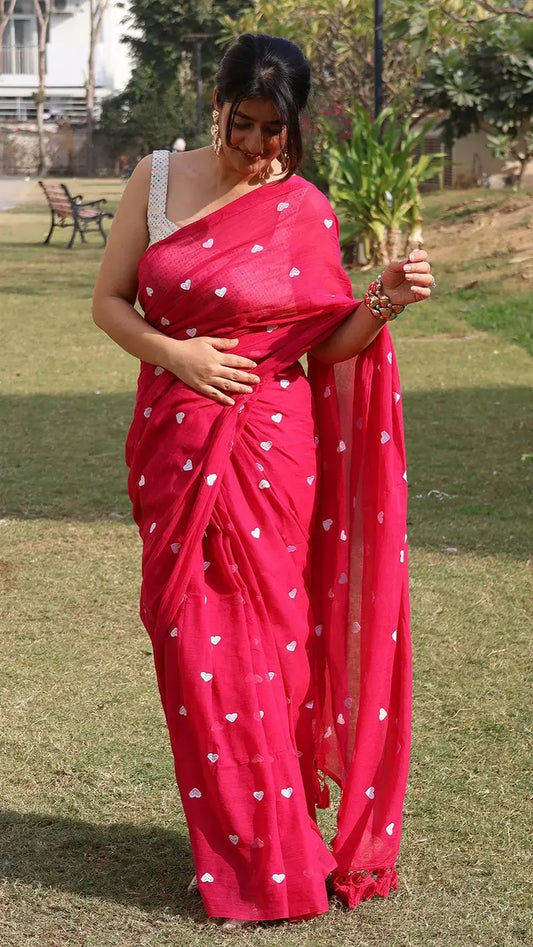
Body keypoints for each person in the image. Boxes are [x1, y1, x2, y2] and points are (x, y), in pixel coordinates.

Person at [92, 32, 434, 930]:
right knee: (191, 647)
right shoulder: (156, 180)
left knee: (268, 660)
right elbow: (108, 302)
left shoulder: (305, 210)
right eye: (243, 125)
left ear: (296, 125)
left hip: (272, 459)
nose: (257, 148)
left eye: (275, 132)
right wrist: (177, 353)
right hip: (176, 444)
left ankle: (274, 857)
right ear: (217, 103)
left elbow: (326, 344)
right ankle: (248, 846)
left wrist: (384, 296)